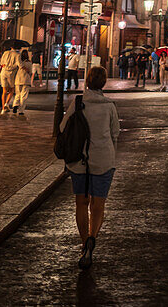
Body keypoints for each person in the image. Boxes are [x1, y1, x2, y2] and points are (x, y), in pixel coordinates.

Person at [59, 65, 119, 270]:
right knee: (98, 205)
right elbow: (114, 134)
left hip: (79, 162)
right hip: (103, 160)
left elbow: (62, 128)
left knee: (81, 203)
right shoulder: (109, 106)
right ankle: (93, 237)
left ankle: (84, 242)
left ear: (87, 82)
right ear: (103, 83)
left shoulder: (78, 103)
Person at [0, 44, 19, 113]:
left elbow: (1, 62)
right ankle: (6, 104)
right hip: (11, 73)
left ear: (11, 47)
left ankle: (3, 109)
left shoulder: (5, 52)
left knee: (4, 91)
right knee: (11, 90)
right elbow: (19, 64)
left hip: (3, 72)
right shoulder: (17, 54)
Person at [13, 49, 33, 115]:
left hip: (18, 80)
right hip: (26, 80)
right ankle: (21, 110)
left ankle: (15, 104)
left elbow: (17, 65)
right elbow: (30, 72)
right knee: (24, 96)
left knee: (18, 94)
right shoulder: (29, 63)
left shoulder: (20, 62)